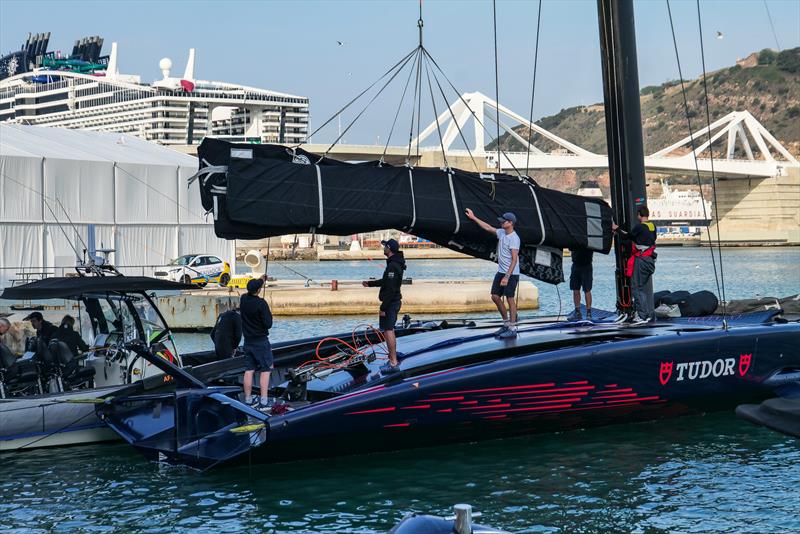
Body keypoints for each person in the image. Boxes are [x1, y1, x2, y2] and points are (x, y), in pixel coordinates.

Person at [464, 208, 521, 338]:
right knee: (495, 296)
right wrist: (473, 217)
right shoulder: (501, 233)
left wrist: (507, 276)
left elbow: (514, 259)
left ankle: (512, 328)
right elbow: (488, 227)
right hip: (501, 271)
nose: (501, 223)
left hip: (511, 274)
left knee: (510, 299)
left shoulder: (514, 239)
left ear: (510, 223)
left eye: (504, 221)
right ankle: (506, 324)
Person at [362, 238, 406, 373]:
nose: (383, 248)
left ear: (389, 249)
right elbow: (386, 281)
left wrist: (383, 308)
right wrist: (370, 284)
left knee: (388, 330)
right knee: (388, 330)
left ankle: (393, 362)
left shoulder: (393, 266)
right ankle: (392, 358)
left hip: (391, 303)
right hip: (391, 302)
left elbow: (391, 289)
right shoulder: (393, 263)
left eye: (385, 246)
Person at [612, 206, 657, 324]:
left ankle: (642, 316)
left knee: (636, 288)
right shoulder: (652, 226)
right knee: (641, 288)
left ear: (639, 215)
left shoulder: (640, 226)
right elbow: (640, 237)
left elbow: (627, 236)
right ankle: (645, 314)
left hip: (641, 260)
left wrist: (617, 229)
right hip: (650, 261)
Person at [240, 276, 274, 410]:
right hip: (261, 342)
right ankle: (264, 401)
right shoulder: (261, 303)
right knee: (266, 370)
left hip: (248, 342)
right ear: (259, 290)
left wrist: (261, 279)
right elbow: (268, 324)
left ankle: (248, 400)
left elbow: (254, 286)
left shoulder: (243, 299)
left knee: (249, 370)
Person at [567, 248, 594, 321]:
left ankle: (589, 313)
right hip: (575, 264)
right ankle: (577, 312)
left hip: (586, 265)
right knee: (575, 289)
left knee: (587, 290)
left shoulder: (588, 239)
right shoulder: (574, 237)